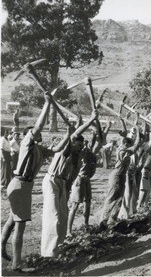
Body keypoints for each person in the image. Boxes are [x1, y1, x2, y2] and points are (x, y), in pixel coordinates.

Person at [1, 92, 51, 272]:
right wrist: (47, 103)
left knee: (11, 221)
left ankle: (1, 248)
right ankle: (16, 263)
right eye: (36, 133)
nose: (40, 135)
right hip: (20, 185)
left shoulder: (39, 149)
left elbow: (60, 148)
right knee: (20, 227)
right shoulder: (26, 143)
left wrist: (71, 131)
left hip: (21, 185)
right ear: (29, 135)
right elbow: (38, 125)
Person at [41, 110, 98, 258]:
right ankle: (48, 252)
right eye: (77, 146)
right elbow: (73, 135)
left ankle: (59, 245)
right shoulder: (66, 150)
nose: (79, 148)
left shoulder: (78, 157)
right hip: (52, 180)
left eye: (81, 146)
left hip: (63, 184)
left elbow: (71, 177)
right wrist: (90, 120)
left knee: (63, 215)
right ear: (72, 143)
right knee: (53, 215)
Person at [100, 126, 140, 227]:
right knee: (111, 198)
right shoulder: (123, 150)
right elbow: (136, 145)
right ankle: (103, 221)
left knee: (119, 199)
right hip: (117, 175)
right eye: (129, 144)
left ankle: (112, 219)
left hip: (121, 175)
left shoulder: (123, 148)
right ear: (126, 144)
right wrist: (139, 132)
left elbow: (134, 144)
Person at [66, 145, 97, 238]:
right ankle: (68, 231)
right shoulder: (82, 156)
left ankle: (86, 225)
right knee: (75, 205)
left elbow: (92, 171)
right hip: (79, 179)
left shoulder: (91, 156)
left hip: (85, 179)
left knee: (88, 203)